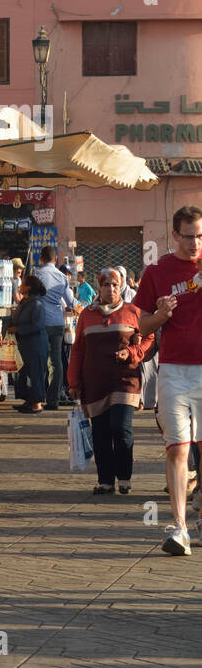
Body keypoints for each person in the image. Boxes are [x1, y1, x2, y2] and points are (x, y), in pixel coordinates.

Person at [134, 206, 202, 555]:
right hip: (174, 369)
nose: (195, 243)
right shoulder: (157, 272)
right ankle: (178, 528)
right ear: (175, 235)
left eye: (200, 236)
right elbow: (142, 326)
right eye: (189, 236)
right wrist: (161, 314)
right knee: (178, 447)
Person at [68, 267, 151, 495]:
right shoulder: (87, 315)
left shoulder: (133, 312)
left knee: (121, 427)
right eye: (106, 285)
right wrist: (73, 382)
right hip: (95, 382)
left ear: (121, 286)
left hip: (125, 380)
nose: (111, 289)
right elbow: (77, 350)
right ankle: (105, 481)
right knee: (101, 432)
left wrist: (132, 352)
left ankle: (124, 477)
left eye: (115, 285)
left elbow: (149, 338)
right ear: (100, 287)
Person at [35, 246, 77, 409]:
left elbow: (32, 296)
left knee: (40, 360)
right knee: (56, 361)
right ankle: (53, 399)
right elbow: (70, 300)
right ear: (55, 260)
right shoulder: (62, 277)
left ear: (41, 258)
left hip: (41, 323)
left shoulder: (37, 274)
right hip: (58, 323)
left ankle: (38, 398)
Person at [8, 275, 49, 413]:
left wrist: (18, 329)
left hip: (35, 343)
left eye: (23, 284)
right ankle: (29, 401)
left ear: (29, 288)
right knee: (25, 372)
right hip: (26, 343)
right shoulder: (25, 301)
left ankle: (36, 404)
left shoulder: (36, 304)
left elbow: (37, 325)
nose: (19, 286)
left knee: (35, 373)